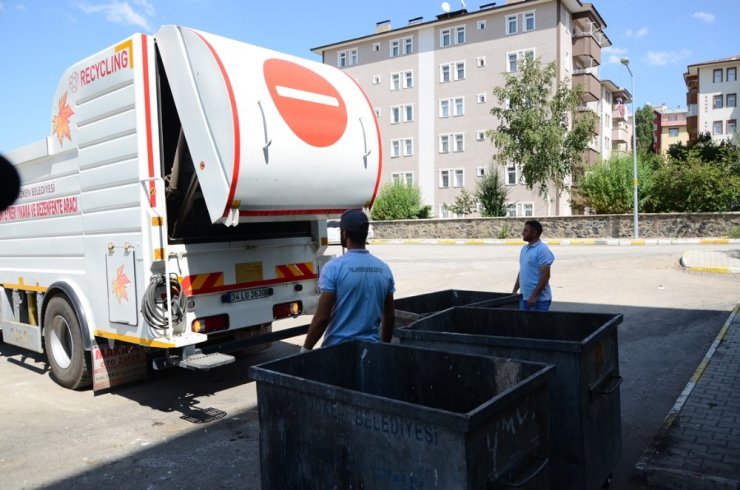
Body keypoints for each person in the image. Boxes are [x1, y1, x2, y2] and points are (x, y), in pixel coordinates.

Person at [302, 209, 395, 350]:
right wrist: (384, 348)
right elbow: (389, 316)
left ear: (344, 233)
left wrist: (306, 349)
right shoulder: (383, 269)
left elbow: (322, 318)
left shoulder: (333, 268)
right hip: (371, 350)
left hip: (338, 351)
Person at [512, 220, 554, 311]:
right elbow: (522, 271)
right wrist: (515, 291)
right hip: (524, 298)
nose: (522, 233)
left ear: (534, 233)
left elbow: (545, 276)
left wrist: (534, 296)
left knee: (538, 325)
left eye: (525, 230)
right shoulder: (524, 249)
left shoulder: (542, 250)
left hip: (539, 301)